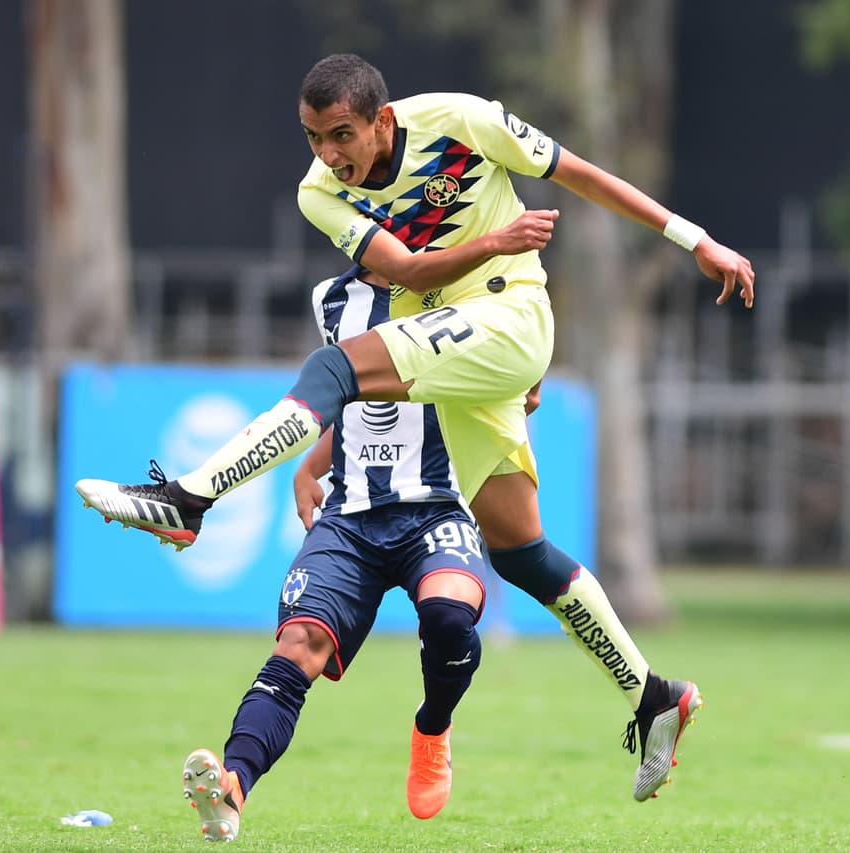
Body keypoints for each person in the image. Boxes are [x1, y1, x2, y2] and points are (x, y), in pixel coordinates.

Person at [77, 53, 755, 804]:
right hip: (459, 341)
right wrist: (316, 459)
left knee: (333, 367)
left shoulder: (461, 120)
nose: (328, 155)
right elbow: (405, 270)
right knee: (520, 551)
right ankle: (653, 695)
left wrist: (695, 240)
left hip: (511, 316)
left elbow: (580, 175)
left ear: (383, 120)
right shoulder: (318, 192)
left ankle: (188, 498)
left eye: (341, 135)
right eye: (313, 138)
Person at [183, 266, 493, 840]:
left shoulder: (466, 286)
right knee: (299, 642)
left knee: (449, 615)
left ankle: (432, 727)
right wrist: (310, 466)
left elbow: (520, 376)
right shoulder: (331, 298)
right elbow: (350, 395)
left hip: (438, 507)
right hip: (350, 517)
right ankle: (233, 786)